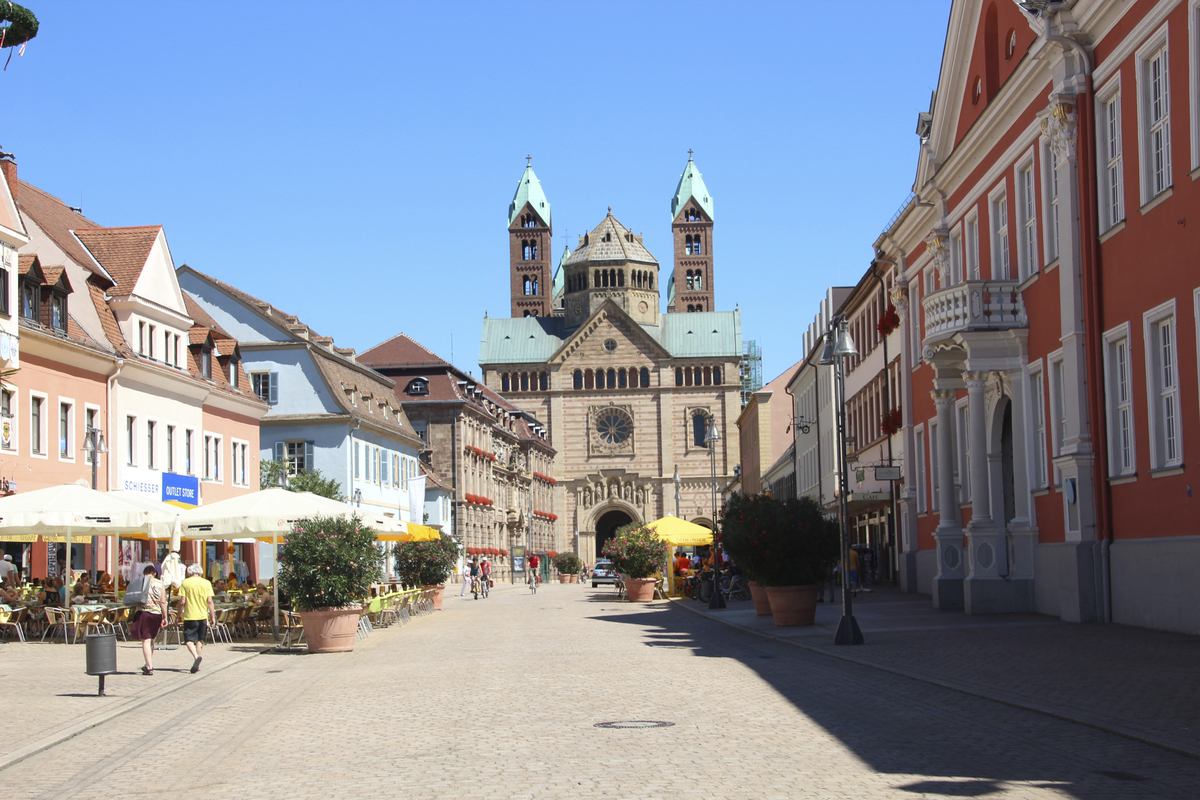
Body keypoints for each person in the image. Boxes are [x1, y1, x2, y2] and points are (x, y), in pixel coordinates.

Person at [130, 565, 168, 676]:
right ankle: (148, 663)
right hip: (156, 614)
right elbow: (163, 602)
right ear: (154, 573)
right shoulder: (160, 583)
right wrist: (165, 617)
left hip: (144, 612)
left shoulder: (141, 583)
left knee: (145, 640)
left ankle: (149, 667)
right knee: (151, 639)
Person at [179, 564, 216, 674]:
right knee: (199, 640)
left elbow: (182, 601)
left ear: (190, 572)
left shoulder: (186, 582)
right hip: (203, 616)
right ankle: (198, 661)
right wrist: (212, 617)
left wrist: (178, 615)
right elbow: (210, 601)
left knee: (188, 640)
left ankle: (196, 657)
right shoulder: (207, 583)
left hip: (190, 615)